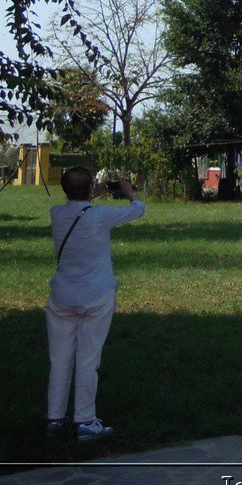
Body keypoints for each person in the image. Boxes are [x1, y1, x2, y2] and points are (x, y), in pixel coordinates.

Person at [46, 166, 145, 442]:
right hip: (96, 296)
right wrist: (128, 192)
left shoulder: (56, 214)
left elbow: (80, 209)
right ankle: (86, 420)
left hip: (62, 297)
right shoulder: (101, 216)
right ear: (91, 188)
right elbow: (139, 209)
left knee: (60, 359)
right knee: (88, 360)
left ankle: (55, 418)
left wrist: (90, 196)